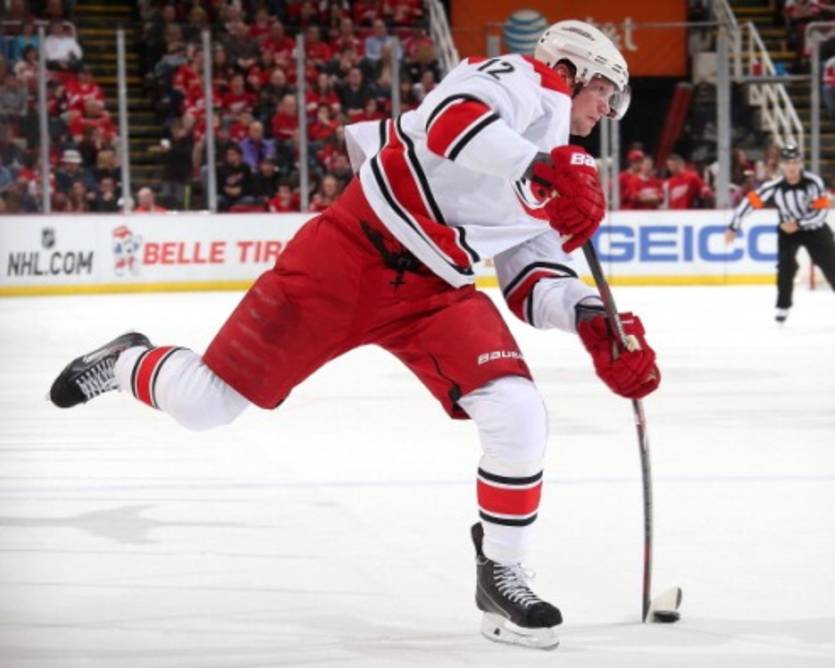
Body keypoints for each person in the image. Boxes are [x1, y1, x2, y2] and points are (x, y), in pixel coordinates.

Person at [48, 21, 659, 650]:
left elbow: (533, 279)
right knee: (204, 405)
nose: (606, 112)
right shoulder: (523, 81)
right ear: (570, 71)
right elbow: (448, 120)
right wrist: (542, 163)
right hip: (346, 256)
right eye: (604, 93)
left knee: (517, 409)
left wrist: (592, 320)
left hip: (435, 290)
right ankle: (127, 361)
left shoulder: (564, 175)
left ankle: (501, 572)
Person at [724, 142, 835, 323]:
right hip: (787, 231)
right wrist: (733, 227)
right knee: (785, 267)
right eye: (787, 163)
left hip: (814, 229)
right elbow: (750, 202)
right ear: (781, 165)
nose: (792, 167)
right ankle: (783, 306)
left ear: (801, 163)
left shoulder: (814, 182)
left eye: (795, 162)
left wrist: (798, 223)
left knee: (831, 265)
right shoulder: (773, 186)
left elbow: (821, 213)